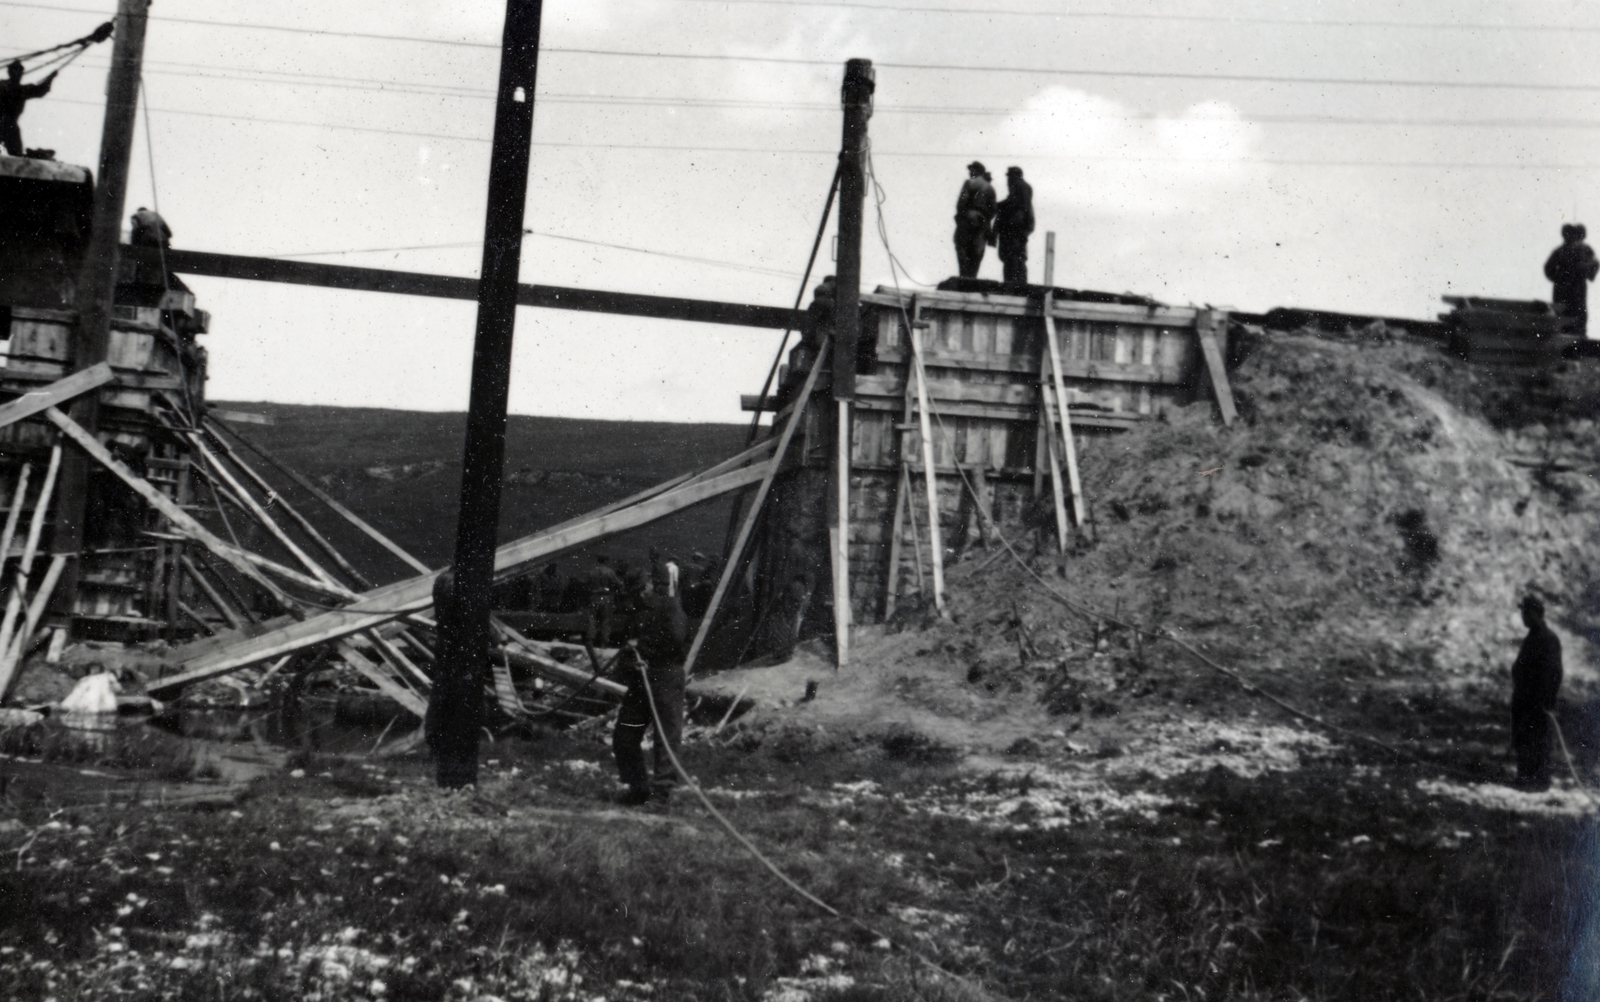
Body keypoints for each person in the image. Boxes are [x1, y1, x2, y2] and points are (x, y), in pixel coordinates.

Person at [611, 581, 688, 805]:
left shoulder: (671, 608)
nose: (640, 594)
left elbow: (675, 638)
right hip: (640, 682)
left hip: (665, 676)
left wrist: (643, 647)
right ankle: (638, 788)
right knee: (624, 735)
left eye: (643, 589)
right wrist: (629, 663)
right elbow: (626, 647)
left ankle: (662, 794)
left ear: (653, 588)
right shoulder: (637, 614)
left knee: (665, 737)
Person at [1510, 594, 1563, 790]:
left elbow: (1554, 673)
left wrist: (1546, 700)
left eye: (1527, 613)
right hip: (1524, 701)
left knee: (1538, 741)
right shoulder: (1532, 637)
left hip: (1538, 704)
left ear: (1537, 614)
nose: (1523, 617)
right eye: (1523, 613)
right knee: (1523, 740)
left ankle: (1539, 781)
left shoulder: (1548, 639)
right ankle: (1525, 777)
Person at [1544, 224, 1599, 336]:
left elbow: (1594, 264)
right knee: (1563, 314)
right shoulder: (1560, 251)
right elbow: (1549, 268)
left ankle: (1577, 340)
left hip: (1576, 287)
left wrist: (1584, 270)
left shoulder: (1584, 250)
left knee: (1578, 314)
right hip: (1564, 287)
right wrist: (1559, 277)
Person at [1, 61, 57, 158]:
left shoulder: (21, 89)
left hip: (10, 124)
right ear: (10, 72)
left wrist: (50, 78)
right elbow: (39, 90)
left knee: (16, 153)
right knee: (16, 151)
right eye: (14, 71)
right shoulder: (5, 86)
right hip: (6, 123)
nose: (17, 74)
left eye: (19, 72)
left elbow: (40, 90)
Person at [953, 161, 996, 279]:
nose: (970, 172)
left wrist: (961, 218)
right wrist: (985, 219)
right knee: (977, 251)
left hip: (968, 217)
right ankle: (972, 277)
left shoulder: (969, 183)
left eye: (972, 170)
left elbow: (961, 202)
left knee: (962, 245)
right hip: (983, 222)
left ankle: (964, 276)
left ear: (977, 171)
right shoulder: (990, 187)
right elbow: (993, 209)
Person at [993, 166, 1035, 286]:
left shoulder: (1019, 186)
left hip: (1015, 226)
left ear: (1014, 176)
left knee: (1012, 255)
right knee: (1017, 255)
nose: (1008, 180)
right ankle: (1017, 281)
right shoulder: (1021, 187)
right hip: (1020, 227)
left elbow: (1013, 203)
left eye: (1009, 176)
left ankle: (1013, 282)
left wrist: (996, 206)